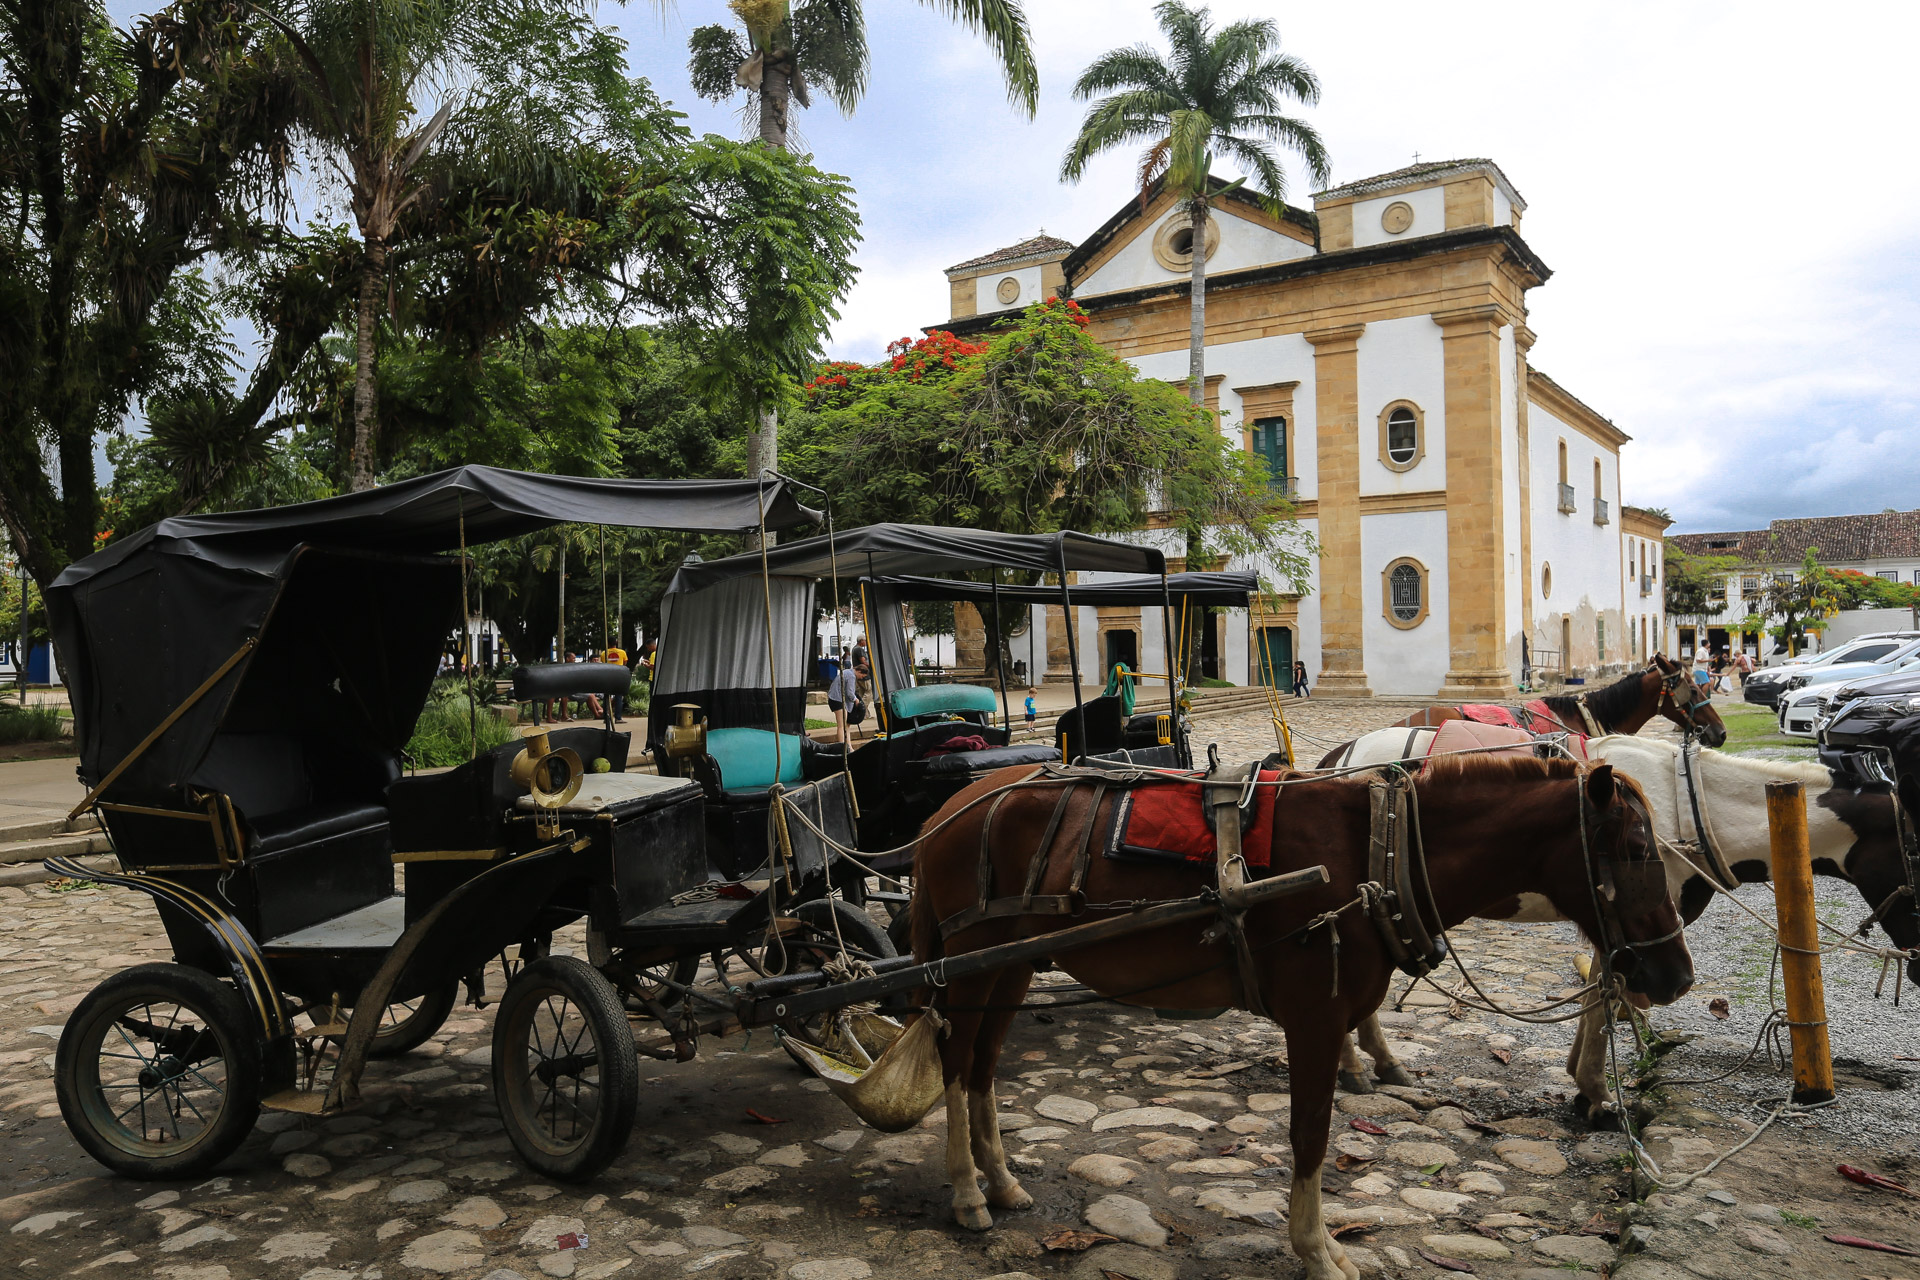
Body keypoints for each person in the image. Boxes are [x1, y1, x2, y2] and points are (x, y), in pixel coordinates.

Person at [827, 660, 861, 742]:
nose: (861, 678)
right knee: (842, 726)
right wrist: (856, 700)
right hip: (838, 699)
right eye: (862, 676)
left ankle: (848, 747)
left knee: (846, 726)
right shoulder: (852, 676)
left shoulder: (846, 671)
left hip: (834, 698)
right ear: (859, 671)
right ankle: (842, 747)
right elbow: (850, 692)